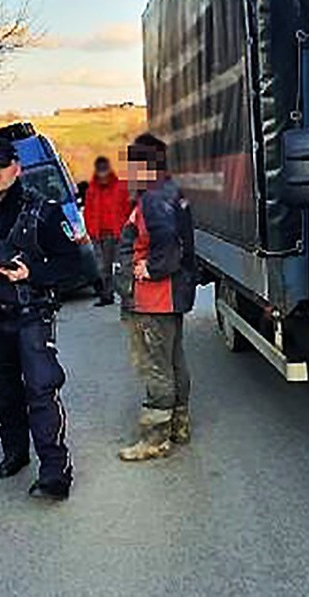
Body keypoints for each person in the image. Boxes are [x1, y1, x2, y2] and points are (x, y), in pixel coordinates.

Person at [0, 137, 75, 501]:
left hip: (31, 314)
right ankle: (15, 451)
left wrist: (33, 273)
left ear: (17, 167)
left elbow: (72, 263)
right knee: (6, 391)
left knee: (41, 389)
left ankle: (55, 470)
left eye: (1, 165)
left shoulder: (44, 212)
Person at [116, 133, 196, 462]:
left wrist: (151, 269)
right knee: (175, 361)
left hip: (153, 298)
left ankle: (155, 439)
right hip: (172, 297)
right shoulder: (174, 192)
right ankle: (179, 424)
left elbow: (169, 243)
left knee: (155, 367)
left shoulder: (152, 199)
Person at [84, 156, 131, 307]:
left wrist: (128, 230)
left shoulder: (121, 187)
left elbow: (129, 208)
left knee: (122, 267)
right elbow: (88, 212)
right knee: (103, 268)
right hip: (100, 235)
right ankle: (107, 295)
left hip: (119, 233)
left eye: (105, 171)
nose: (103, 175)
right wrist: (91, 231)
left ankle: (127, 296)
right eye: (101, 171)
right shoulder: (91, 190)